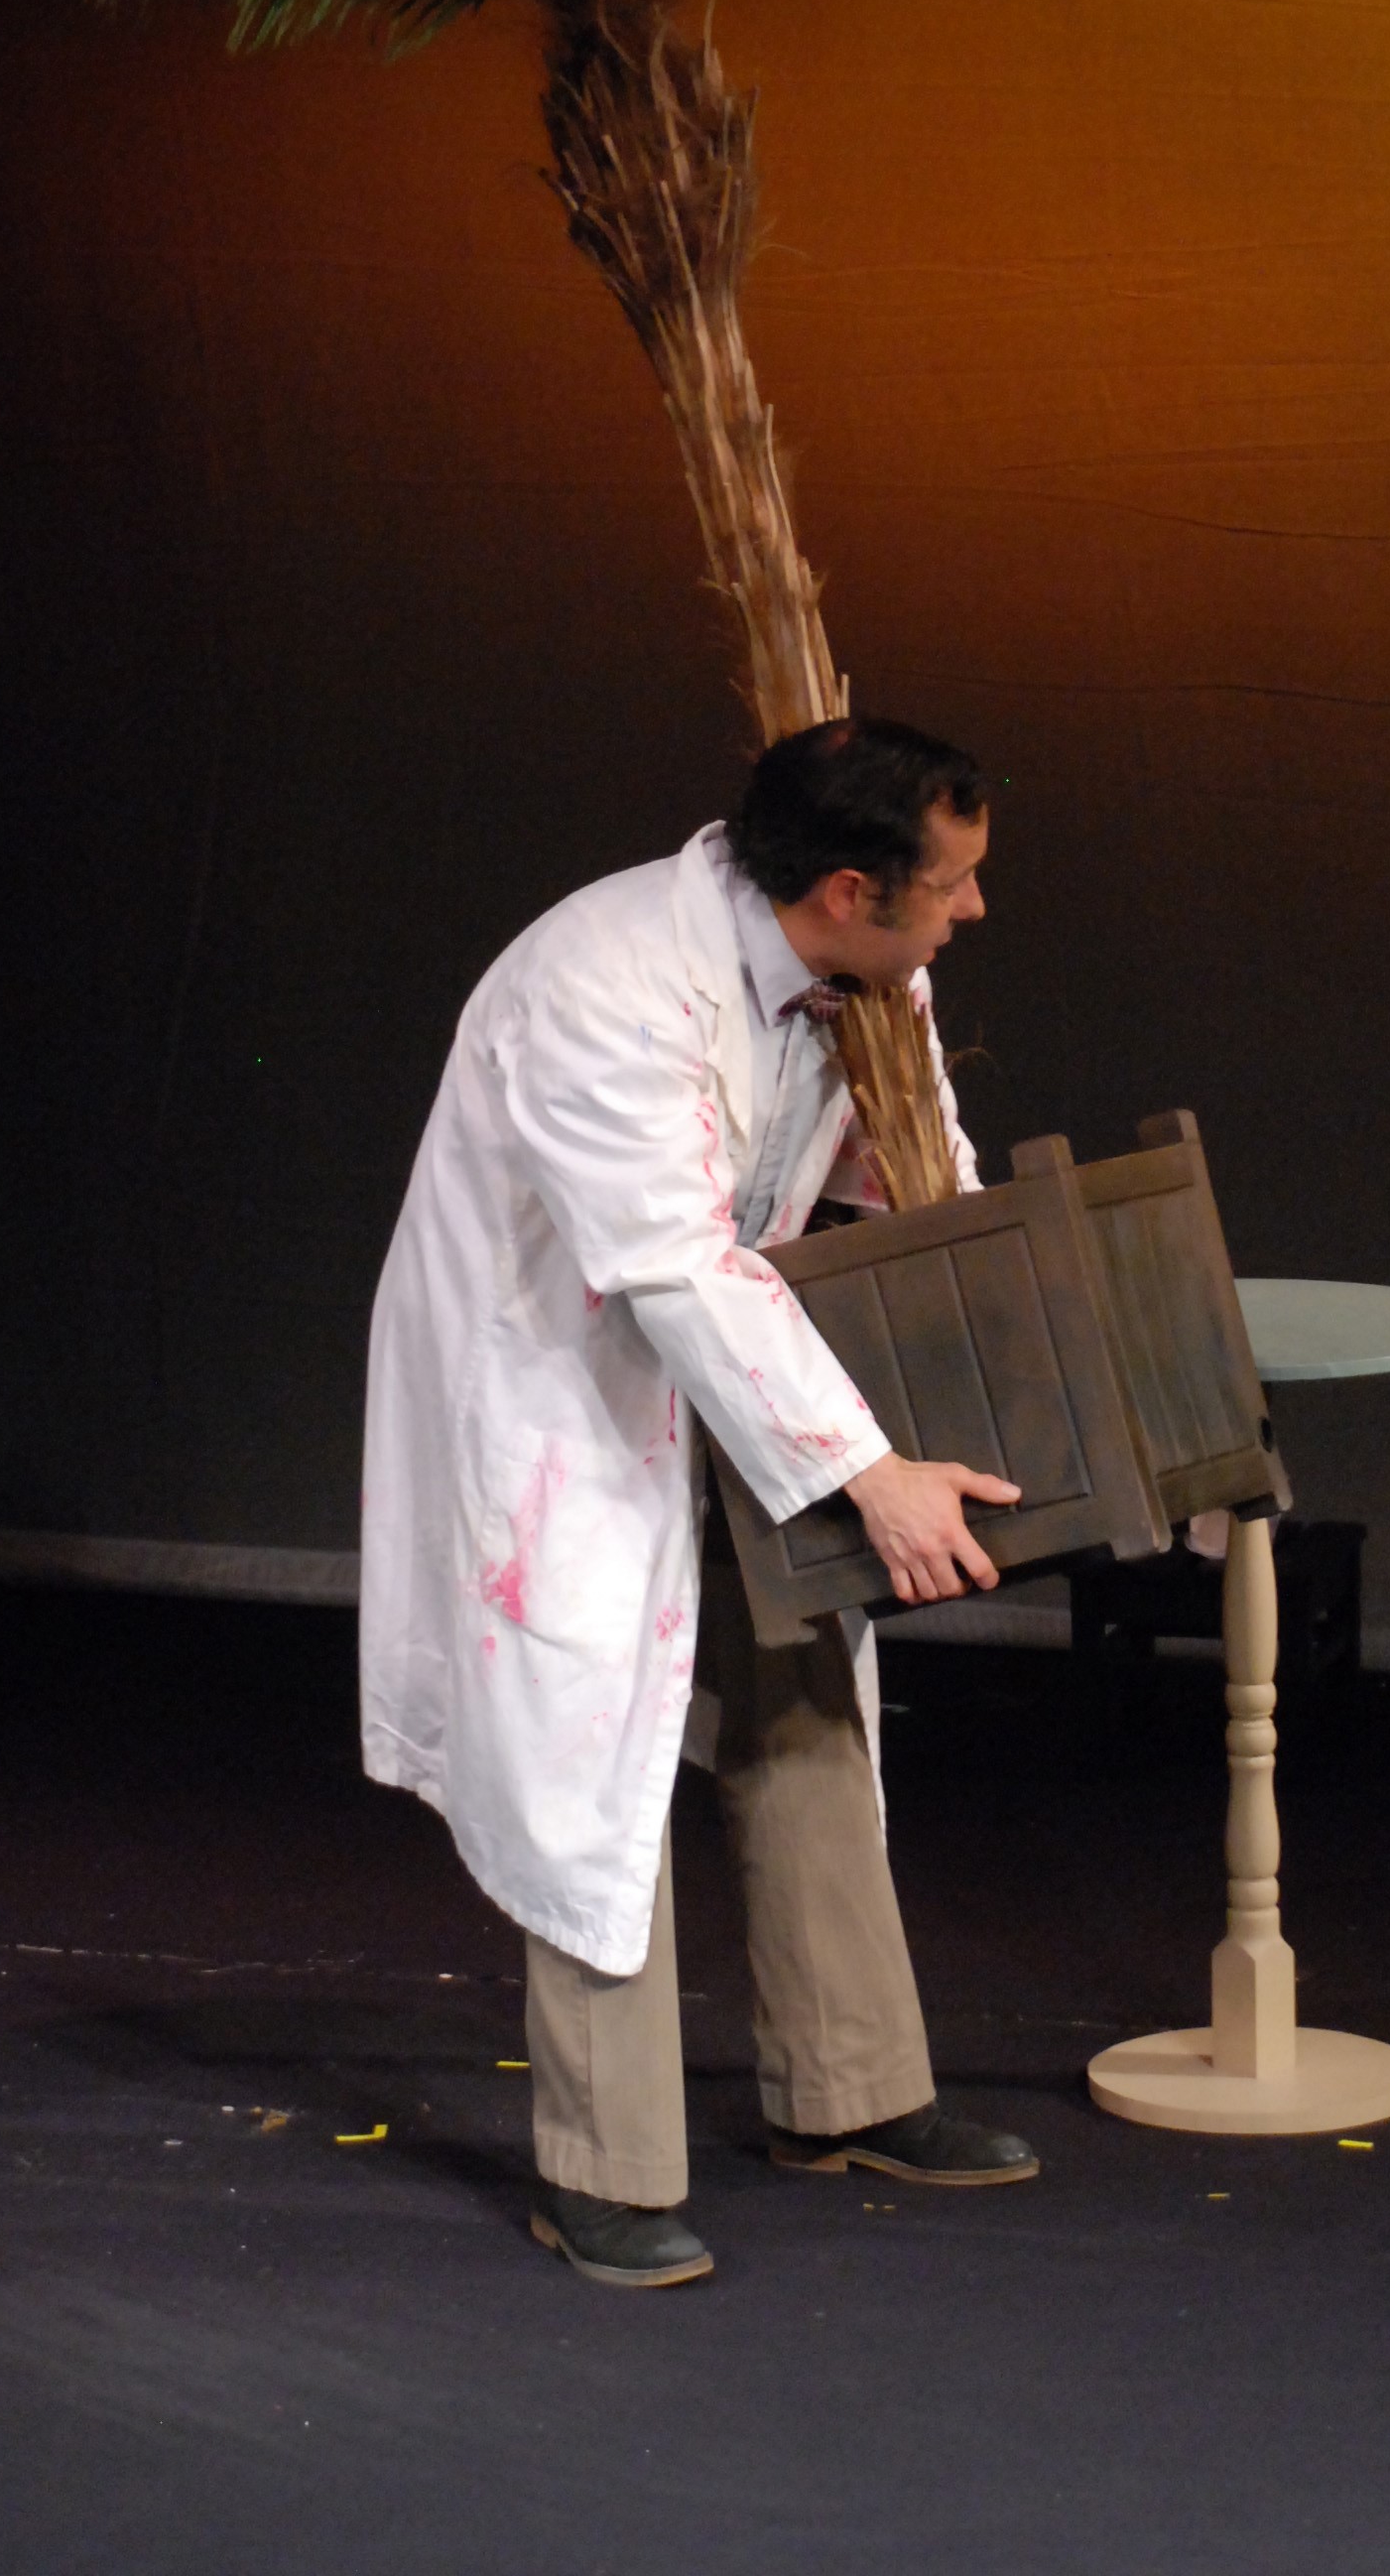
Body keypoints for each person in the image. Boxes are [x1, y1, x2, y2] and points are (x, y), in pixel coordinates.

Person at [358, 716, 1040, 2288]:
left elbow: (910, 1174)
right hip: (560, 1393)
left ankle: (851, 2090)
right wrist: (868, 1472)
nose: (975, 913)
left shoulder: (875, 975)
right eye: (955, 887)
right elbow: (669, 1258)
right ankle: (603, 2167)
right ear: (854, 887)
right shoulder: (607, 982)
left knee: (799, 1686)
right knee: (595, 1761)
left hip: (742, 1366)